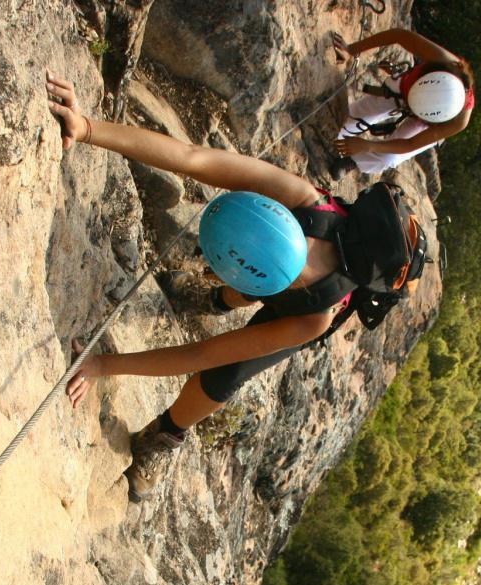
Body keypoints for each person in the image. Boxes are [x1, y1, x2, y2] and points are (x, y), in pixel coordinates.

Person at [46, 70, 358, 503]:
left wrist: (103, 365)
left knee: (226, 376)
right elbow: (192, 158)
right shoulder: (298, 197)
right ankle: (216, 299)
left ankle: (165, 437)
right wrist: (88, 129)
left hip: (305, 300)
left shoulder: (315, 317)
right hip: (277, 261)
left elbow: (200, 355)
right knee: (235, 295)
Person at [329, 27, 474, 178]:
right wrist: (351, 50)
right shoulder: (444, 63)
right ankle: (345, 134)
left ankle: (353, 161)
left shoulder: (457, 121)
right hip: (404, 89)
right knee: (349, 121)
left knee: (389, 157)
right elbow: (399, 35)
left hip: (428, 121)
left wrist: (368, 146)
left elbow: (409, 144)